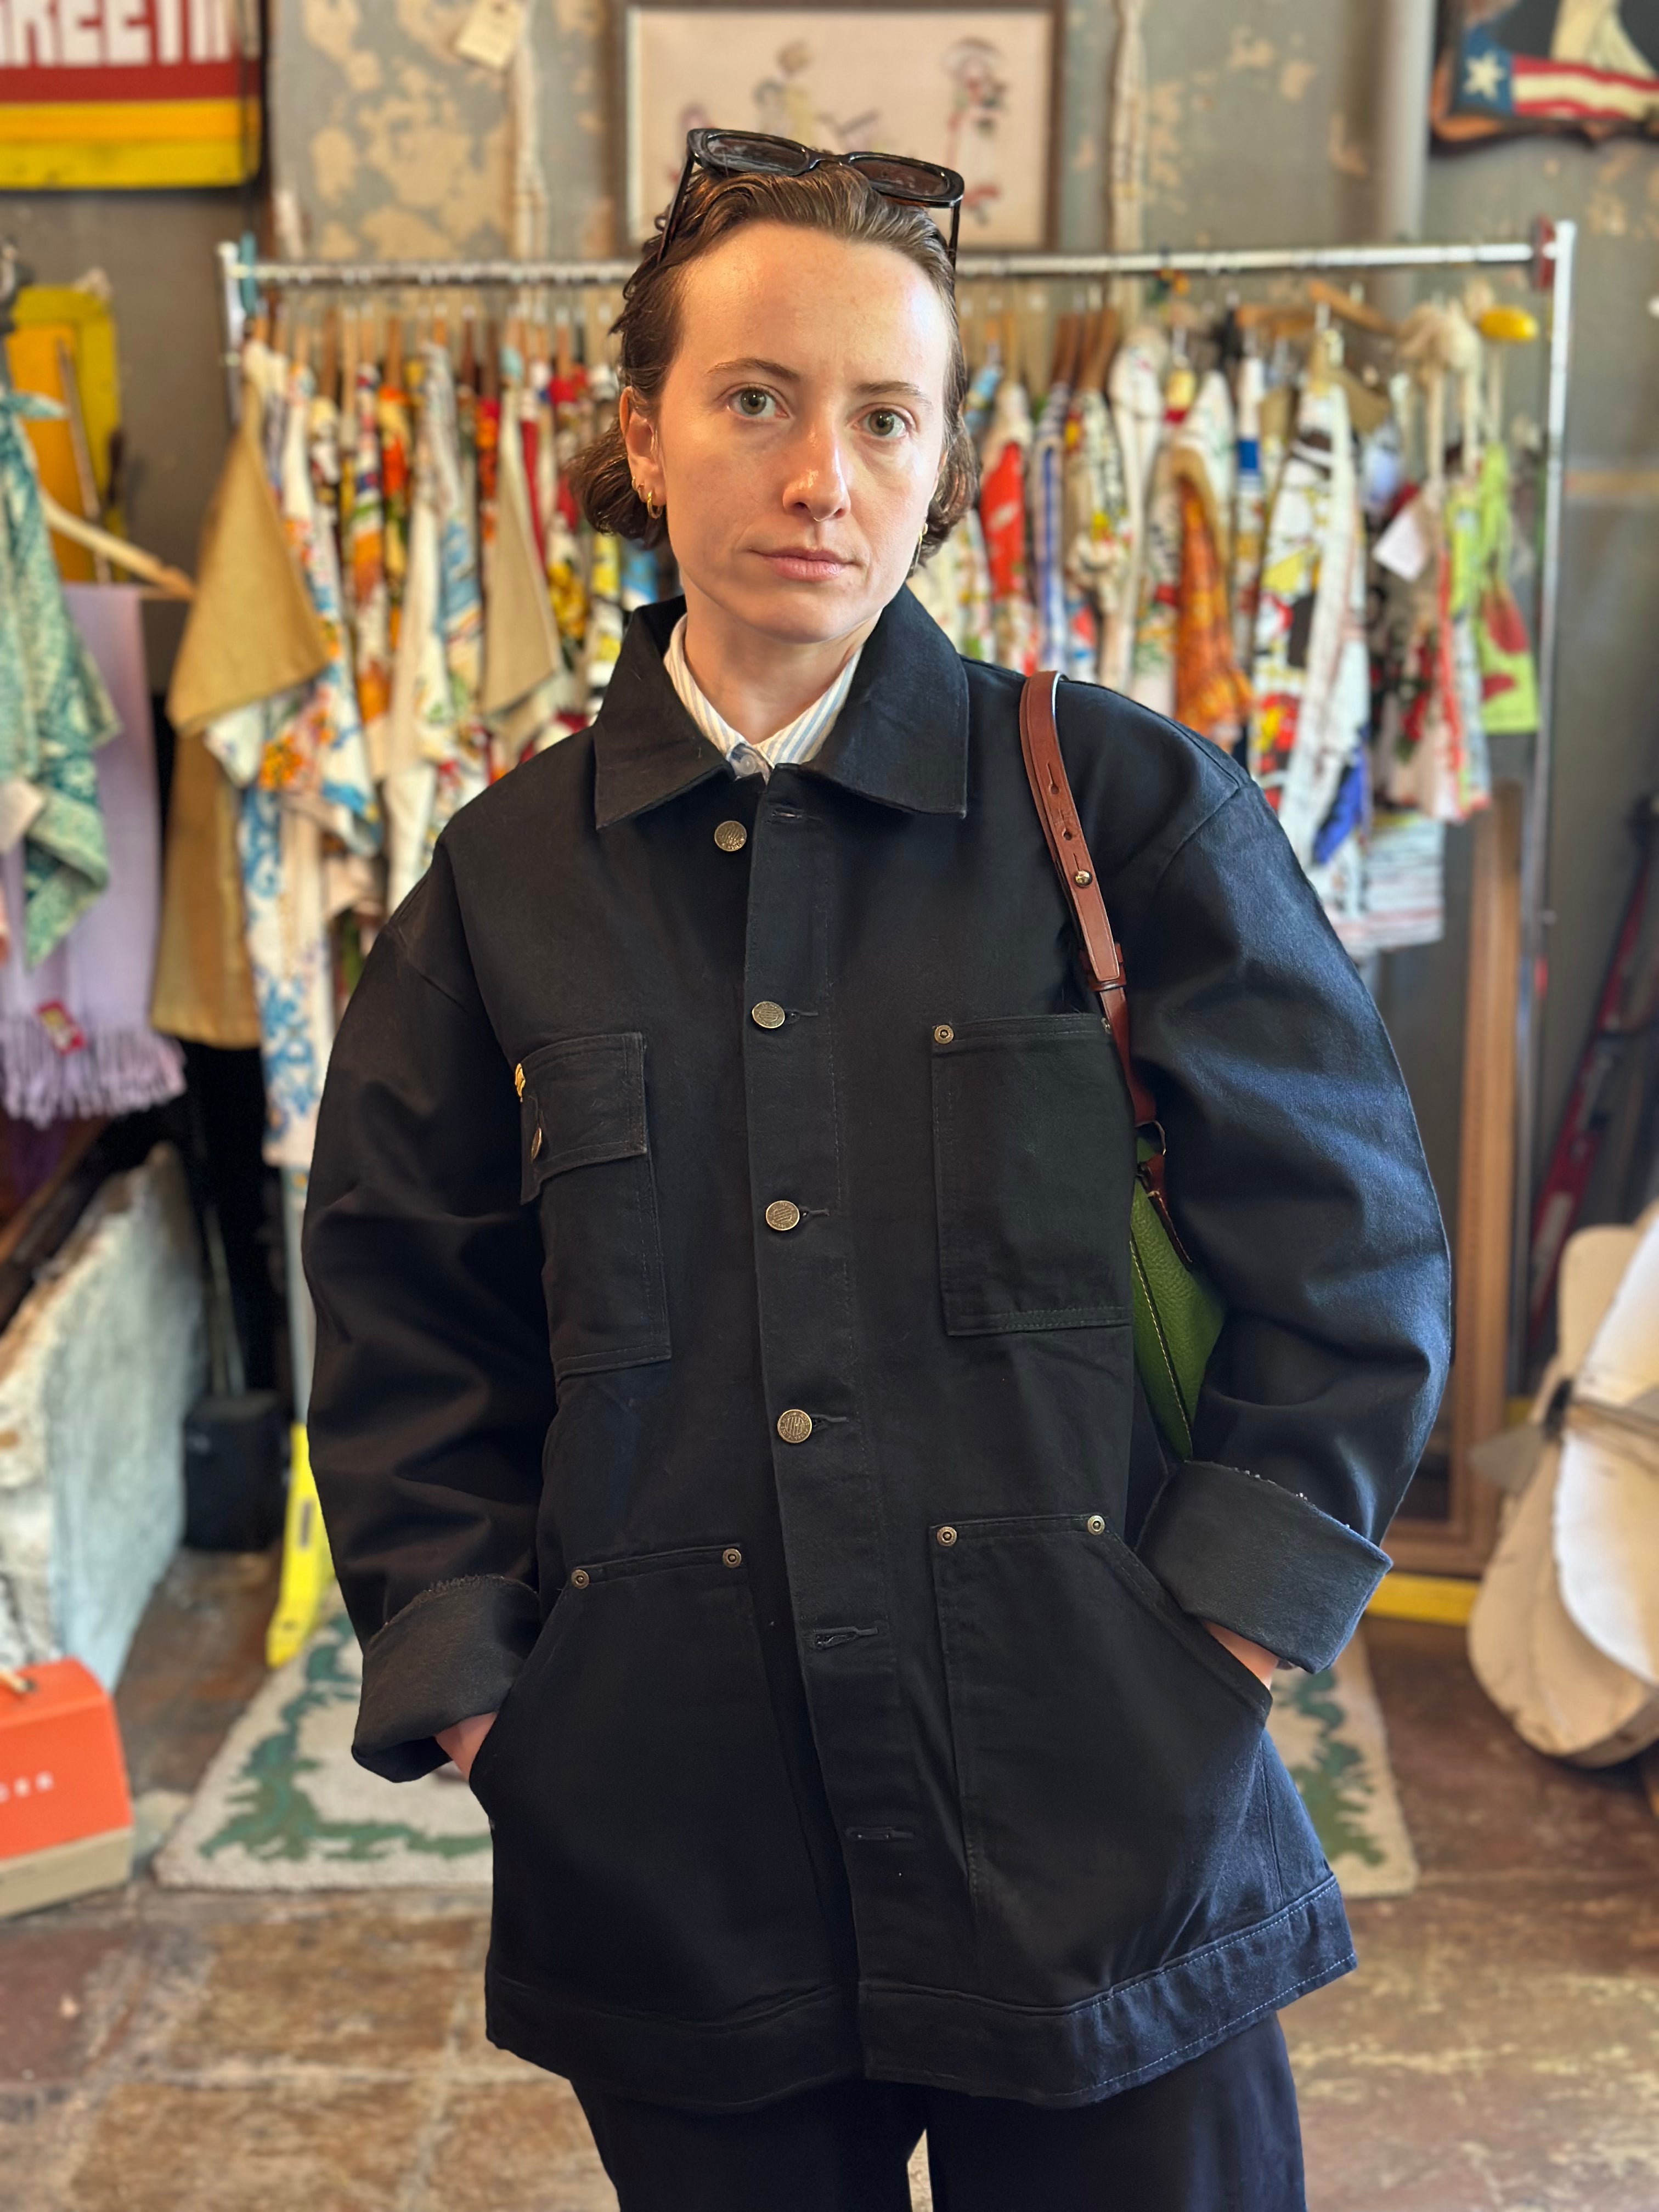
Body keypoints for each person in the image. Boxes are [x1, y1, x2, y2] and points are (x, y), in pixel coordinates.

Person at [303, 132, 1452, 2212]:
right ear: (641, 431)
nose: (821, 475)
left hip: (1105, 1830)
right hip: (676, 1857)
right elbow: (407, 1319)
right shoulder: (500, 886)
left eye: (885, 416)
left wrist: (1227, 1647)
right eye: (756, 400)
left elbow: (1349, 1255)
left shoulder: (1128, 808)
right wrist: (494, 1714)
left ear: (942, 462)